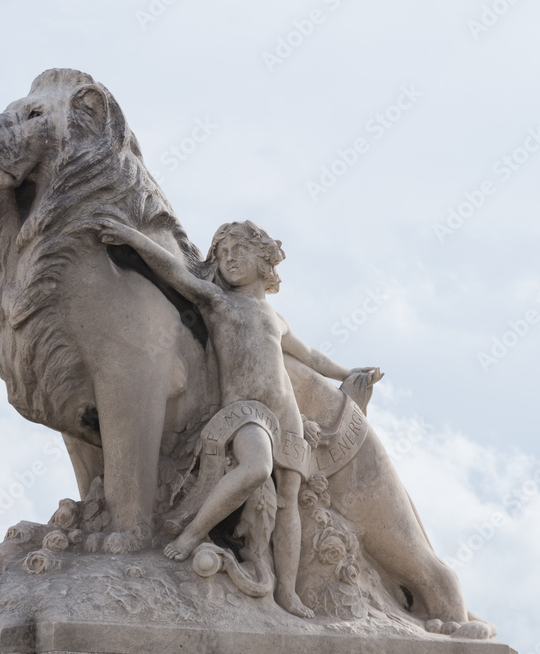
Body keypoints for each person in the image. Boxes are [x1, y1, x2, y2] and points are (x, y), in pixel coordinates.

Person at [96, 219, 381, 619]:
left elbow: (311, 357)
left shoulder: (276, 318)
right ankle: (194, 533)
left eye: (238, 252)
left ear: (264, 263)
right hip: (246, 411)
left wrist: (348, 373)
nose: (228, 259)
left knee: (288, 502)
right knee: (256, 467)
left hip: (287, 414)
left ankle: (286, 592)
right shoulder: (218, 302)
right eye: (223, 253)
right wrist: (133, 238)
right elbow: (175, 270)